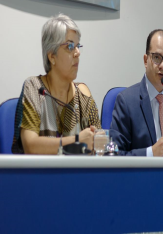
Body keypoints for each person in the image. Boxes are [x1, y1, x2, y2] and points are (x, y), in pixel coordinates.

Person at [12, 14, 101, 154]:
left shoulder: (83, 95)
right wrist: (76, 141)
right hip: (40, 175)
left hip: (78, 174)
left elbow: (99, 145)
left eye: (78, 46)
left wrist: (98, 140)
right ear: (51, 56)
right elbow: (30, 146)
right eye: (70, 46)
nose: (77, 53)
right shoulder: (35, 88)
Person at [110, 29, 163, 156]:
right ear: (145, 60)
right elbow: (114, 154)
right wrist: (151, 153)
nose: (162, 66)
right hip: (143, 175)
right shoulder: (126, 102)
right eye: (157, 58)